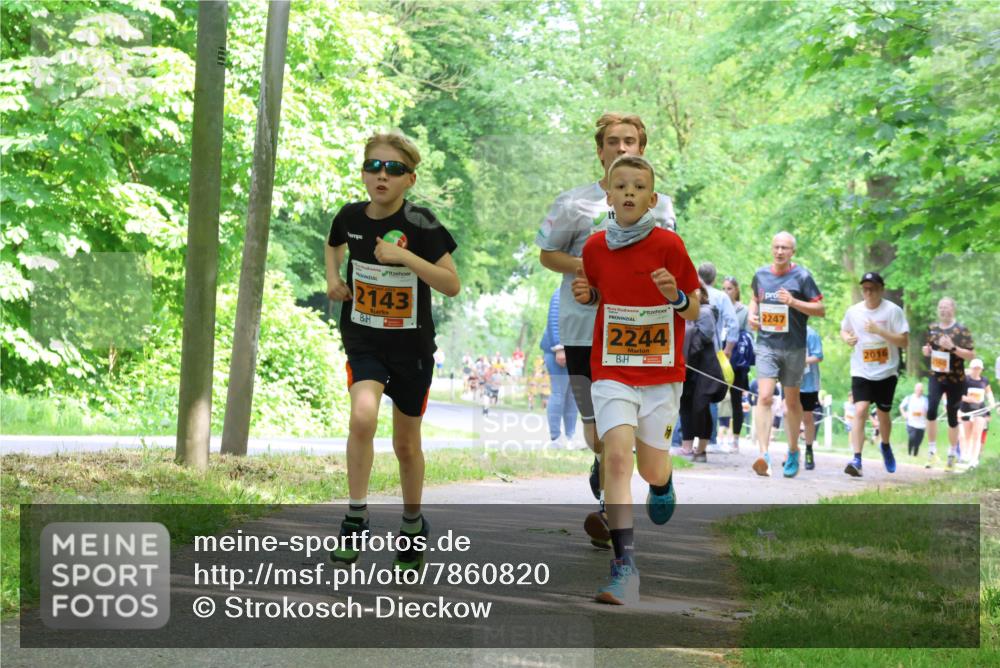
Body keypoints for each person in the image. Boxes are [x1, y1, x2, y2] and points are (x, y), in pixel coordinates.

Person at [536, 112, 677, 546]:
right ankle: (609, 467)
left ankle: (636, 489)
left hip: (637, 332)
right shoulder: (572, 203)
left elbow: (666, 263)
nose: (621, 148)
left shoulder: (662, 205)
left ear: (642, 149)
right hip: (582, 330)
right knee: (597, 430)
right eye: (613, 141)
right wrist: (593, 264)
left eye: (630, 141)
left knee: (630, 429)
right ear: (600, 151)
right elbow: (547, 254)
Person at [325, 131, 460, 569]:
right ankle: (356, 514)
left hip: (413, 348)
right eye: (374, 167)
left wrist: (405, 259)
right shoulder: (349, 216)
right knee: (362, 416)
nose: (382, 176)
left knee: (406, 443)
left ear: (410, 180)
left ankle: (412, 521)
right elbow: (334, 245)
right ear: (364, 173)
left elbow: (451, 284)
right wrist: (333, 279)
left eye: (394, 170)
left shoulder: (422, 223)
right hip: (364, 339)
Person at [572, 155, 698, 605]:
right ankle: (624, 569)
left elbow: (694, 310)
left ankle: (663, 483)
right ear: (607, 195)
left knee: (649, 467)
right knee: (618, 459)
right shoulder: (593, 249)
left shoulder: (670, 246)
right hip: (611, 370)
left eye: (638, 186)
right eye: (620, 185)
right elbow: (600, 295)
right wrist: (588, 296)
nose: (628, 192)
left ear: (652, 197)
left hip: (661, 374)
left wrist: (676, 295)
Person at [747, 231, 826, 477]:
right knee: (765, 396)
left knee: (792, 402)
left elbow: (820, 309)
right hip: (767, 345)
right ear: (772, 249)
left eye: (785, 248)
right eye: (776, 247)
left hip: (794, 347)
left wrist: (793, 302)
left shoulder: (802, 276)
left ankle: (793, 451)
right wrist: (752, 315)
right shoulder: (760, 274)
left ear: (793, 252)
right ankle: (764, 453)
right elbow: (753, 298)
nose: (780, 251)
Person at [840, 272, 909, 477]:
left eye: (872, 288)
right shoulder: (854, 311)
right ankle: (857, 459)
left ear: (881, 289)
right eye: (865, 289)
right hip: (861, 369)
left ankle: (885, 446)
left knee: (882, 413)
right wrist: (847, 339)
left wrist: (880, 331)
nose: (868, 292)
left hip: (887, 371)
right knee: (860, 410)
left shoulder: (893, 311)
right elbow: (844, 330)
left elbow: (904, 342)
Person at [922, 297, 976, 470]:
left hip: (956, 379)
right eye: (940, 307)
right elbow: (928, 348)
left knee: (953, 416)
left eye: (946, 307)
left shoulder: (961, 330)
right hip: (936, 376)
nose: (943, 310)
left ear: (953, 309)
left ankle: (952, 455)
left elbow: (971, 355)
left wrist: (953, 347)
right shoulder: (932, 329)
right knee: (931, 409)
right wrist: (926, 351)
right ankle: (931, 452)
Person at [680, 284, 725, 462]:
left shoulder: (705, 313)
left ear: (702, 293)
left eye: (695, 289)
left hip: (704, 369)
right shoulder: (682, 312)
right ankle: (687, 447)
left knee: (700, 408)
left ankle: (702, 449)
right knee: (685, 406)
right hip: (688, 367)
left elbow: (701, 339)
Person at [697, 263, 738, 451]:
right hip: (713, 352)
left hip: (690, 351)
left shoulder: (691, 292)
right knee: (710, 393)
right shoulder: (722, 297)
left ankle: (681, 441)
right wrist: (728, 350)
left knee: (687, 393)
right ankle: (711, 440)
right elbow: (733, 324)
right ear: (714, 278)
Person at [540, 288, 579, 447]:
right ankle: (556, 438)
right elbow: (554, 319)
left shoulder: (583, 289)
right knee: (558, 392)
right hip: (557, 351)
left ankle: (570, 437)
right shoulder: (561, 291)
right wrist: (559, 347)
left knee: (573, 396)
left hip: (575, 350)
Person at [723, 276, 752, 452]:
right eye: (724, 288)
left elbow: (749, 336)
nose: (727, 292)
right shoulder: (718, 306)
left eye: (730, 289)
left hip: (737, 361)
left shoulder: (744, 311)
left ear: (736, 290)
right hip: (720, 356)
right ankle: (710, 437)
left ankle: (735, 439)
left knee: (736, 400)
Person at [960, 359, 993, 469]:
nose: (976, 370)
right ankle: (967, 455)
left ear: (981, 369)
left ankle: (974, 460)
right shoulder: (965, 380)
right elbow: (958, 395)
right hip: (966, 410)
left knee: (977, 434)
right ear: (970, 368)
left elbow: (989, 393)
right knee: (967, 435)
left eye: (978, 368)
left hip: (980, 410)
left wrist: (992, 404)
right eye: (974, 368)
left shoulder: (984, 381)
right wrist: (969, 399)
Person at [800, 325, 824, 470]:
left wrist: (801, 361)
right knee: (788, 413)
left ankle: (809, 450)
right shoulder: (785, 329)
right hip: (790, 380)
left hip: (808, 384)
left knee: (807, 417)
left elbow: (819, 356)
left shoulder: (811, 333)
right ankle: (792, 450)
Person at [901, 382, 929, 457]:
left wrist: (925, 414)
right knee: (912, 437)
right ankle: (909, 452)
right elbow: (901, 407)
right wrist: (904, 414)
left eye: (921, 390)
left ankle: (915, 454)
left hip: (921, 423)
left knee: (918, 441)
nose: (919, 391)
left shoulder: (925, 400)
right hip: (911, 422)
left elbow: (927, 411)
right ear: (915, 389)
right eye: (918, 389)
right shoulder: (909, 398)